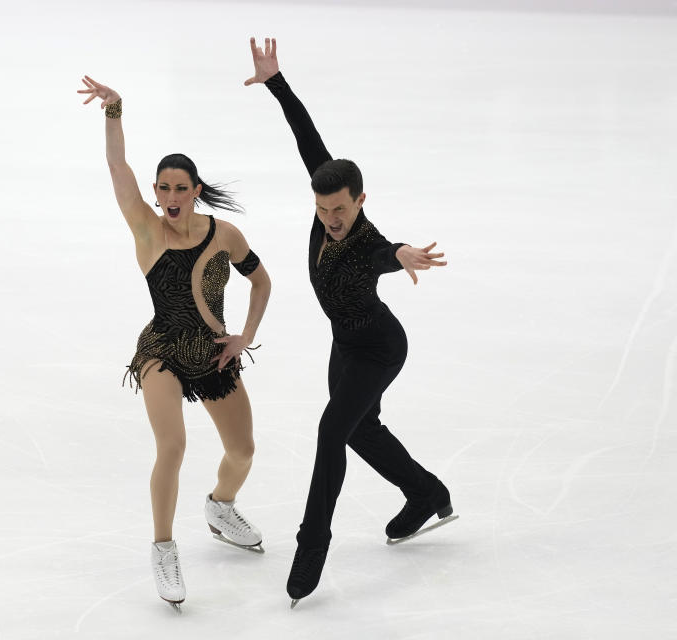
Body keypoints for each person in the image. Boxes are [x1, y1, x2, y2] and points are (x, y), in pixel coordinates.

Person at [243, 38, 455, 607]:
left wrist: (404, 252)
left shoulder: (364, 240)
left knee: (331, 432)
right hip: (345, 345)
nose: (331, 219)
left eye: (341, 208)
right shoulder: (324, 194)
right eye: (323, 209)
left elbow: (388, 251)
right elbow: (306, 137)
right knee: (359, 430)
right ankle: (426, 492)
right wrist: (276, 82)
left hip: (380, 348)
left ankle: (312, 544)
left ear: (361, 201)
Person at [78, 75, 272, 612]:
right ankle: (164, 548)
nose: (168, 196)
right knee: (174, 446)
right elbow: (119, 170)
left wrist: (246, 337)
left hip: (212, 353)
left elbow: (262, 281)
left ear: (196, 191)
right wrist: (113, 111)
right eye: (162, 187)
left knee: (243, 451)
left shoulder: (224, 234)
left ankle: (220, 506)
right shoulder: (146, 229)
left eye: (179, 188)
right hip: (162, 349)